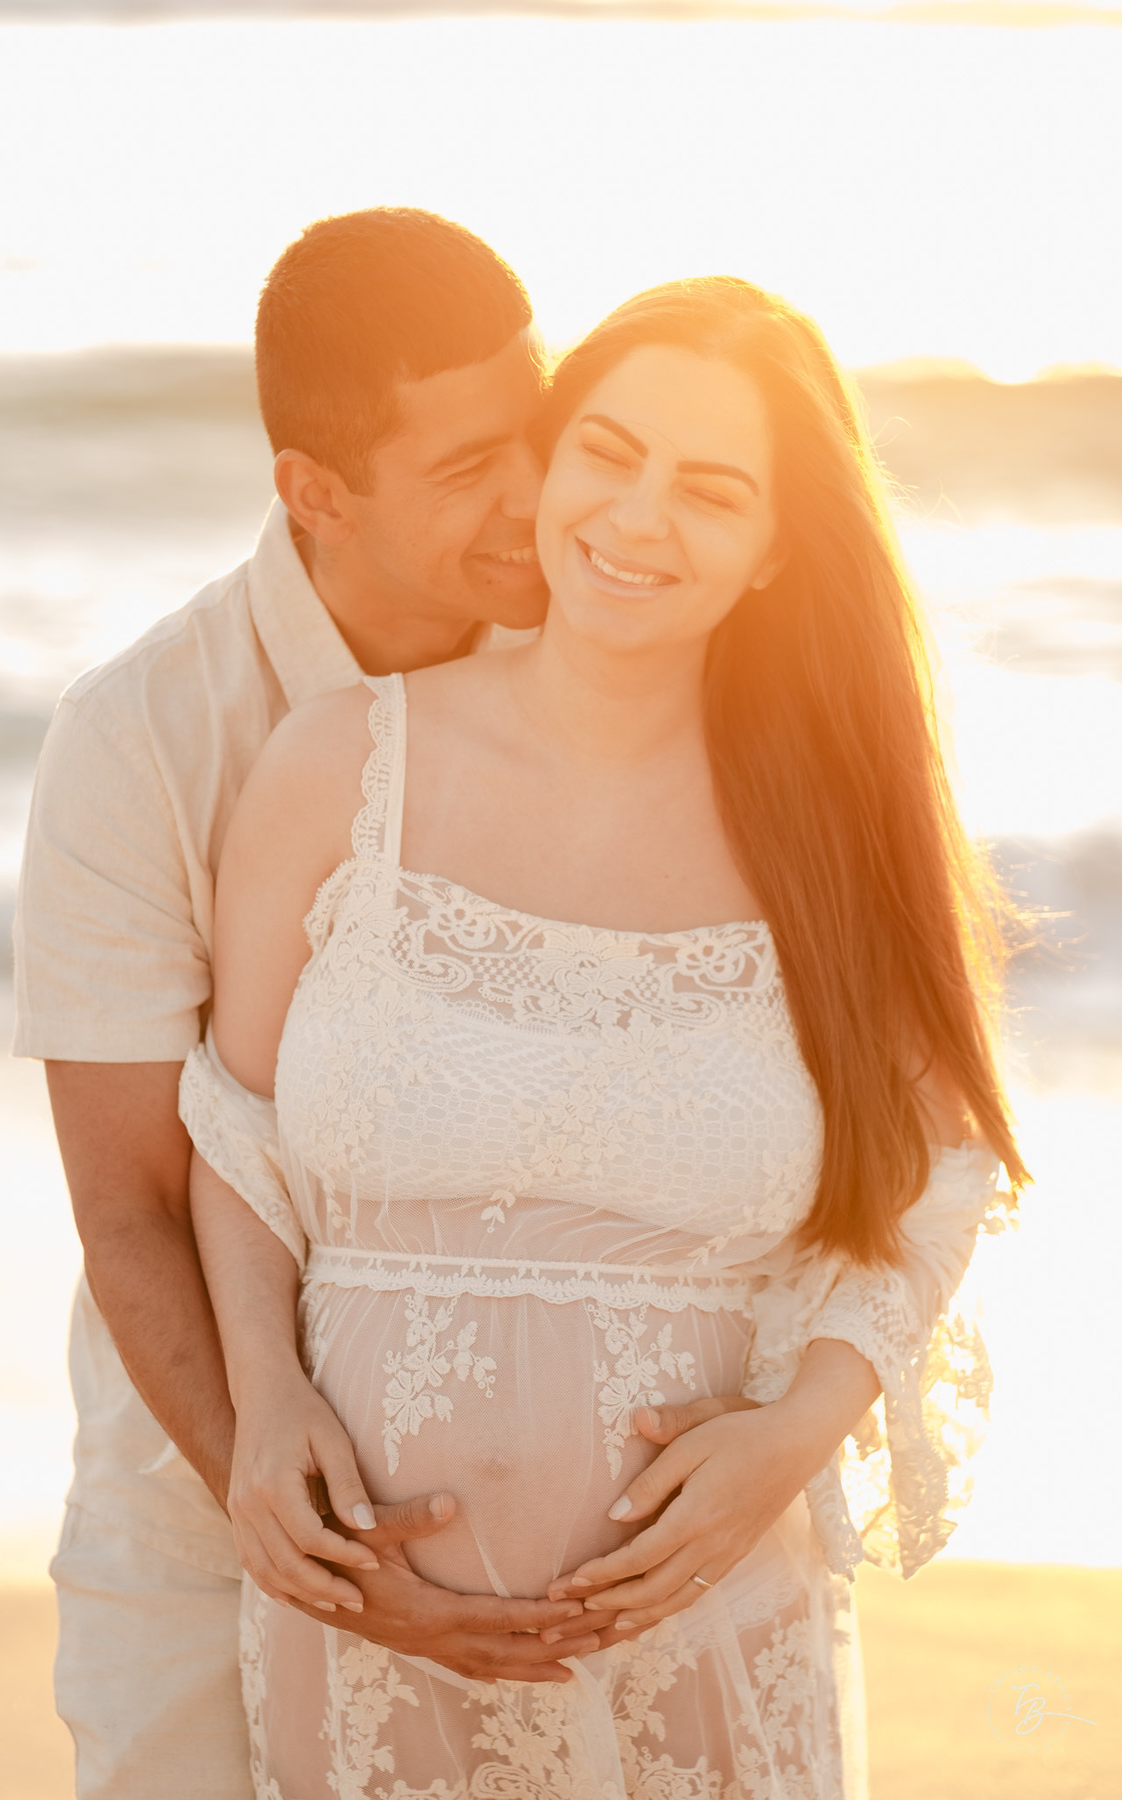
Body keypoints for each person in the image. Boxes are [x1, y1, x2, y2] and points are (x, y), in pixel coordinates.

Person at [179, 275, 1028, 1797]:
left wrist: (802, 1431)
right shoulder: (336, 771)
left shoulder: (831, 834)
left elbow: (942, 1176)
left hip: (702, 1623)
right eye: (609, 454)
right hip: (366, 1632)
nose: (637, 518)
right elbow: (233, 1134)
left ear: (776, 549)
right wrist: (267, 1404)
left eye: (711, 492)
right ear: (551, 464)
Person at [13, 207, 634, 1800]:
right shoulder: (141, 738)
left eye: (537, 428)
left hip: (550, 1530)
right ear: (314, 492)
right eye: (463, 468)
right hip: (204, 1499)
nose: (533, 497)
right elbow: (133, 1200)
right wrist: (280, 1509)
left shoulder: (610, 655)